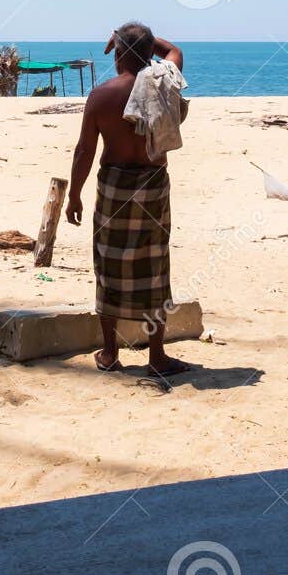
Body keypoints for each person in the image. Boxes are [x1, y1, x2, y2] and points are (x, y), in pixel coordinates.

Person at [65, 22, 188, 378]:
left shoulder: (102, 95)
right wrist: (136, 41)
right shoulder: (165, 82)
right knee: (154, 267)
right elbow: (172, 50)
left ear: (117, 53)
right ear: (149, 52)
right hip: (153, 184)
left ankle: (109, 351)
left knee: (109, 265)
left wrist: (74, 194)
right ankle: (157, 355)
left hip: (114, 186)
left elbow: (85, 150)